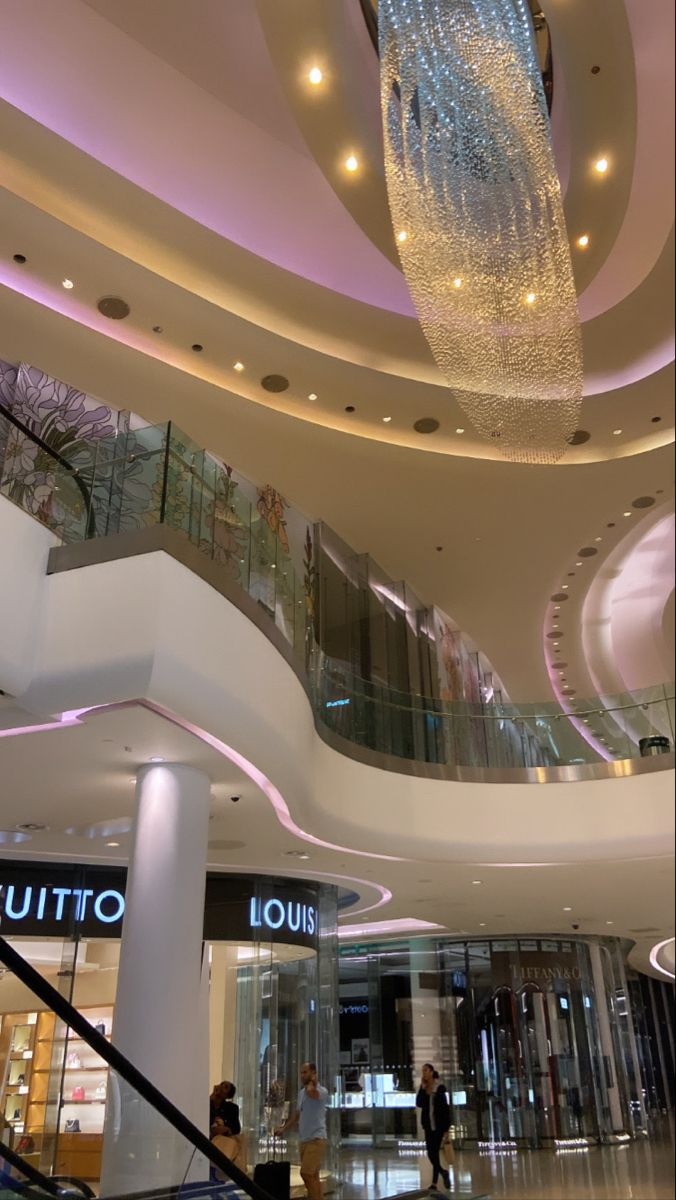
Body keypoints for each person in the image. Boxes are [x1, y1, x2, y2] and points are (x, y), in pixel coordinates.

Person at [275, 1061, 328, 1200]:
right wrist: (284, 1128)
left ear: (313, 1073)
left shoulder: (321, 1091)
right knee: (313, 1176)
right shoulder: (301, 1094)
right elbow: (297, 1115)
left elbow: (313, 1093)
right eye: (301, 1072)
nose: (302, 1075)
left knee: (306, 1174)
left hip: (316, 1139)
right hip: (304, 1139)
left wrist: (312, 1083)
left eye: (305, 1072)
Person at [416, 1063, 451, 1194]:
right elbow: (419, 1103)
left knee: (434, 1153)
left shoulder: (440, 1088)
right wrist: (423, 1090)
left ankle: (434, 1183)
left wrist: (447, 1128)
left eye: (425, 1070)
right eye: (422, 1070)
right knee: (431, 1154)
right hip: (428, 1126)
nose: (423, 1073)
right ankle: (443, 1172)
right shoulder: (424, 1088)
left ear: (431, 1072)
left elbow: (445, 1109)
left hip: (438, 1126)